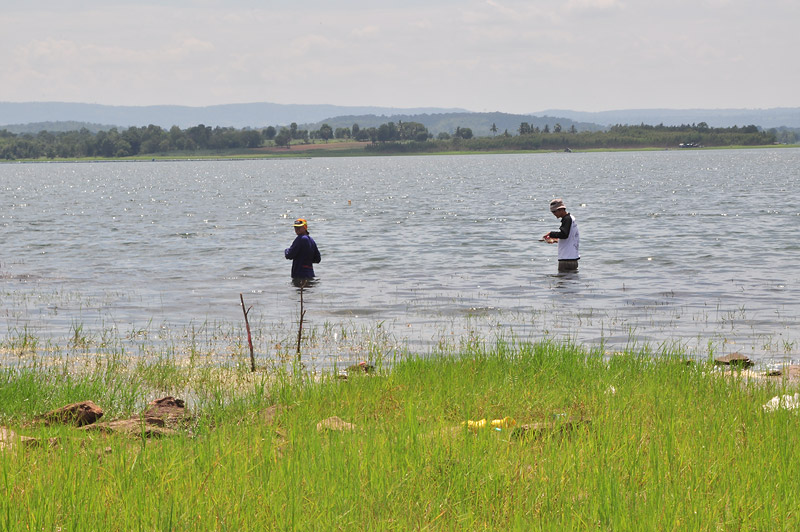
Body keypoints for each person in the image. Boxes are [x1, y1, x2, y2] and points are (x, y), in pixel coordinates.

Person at [542, 198, 580, 272]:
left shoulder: (567, 219)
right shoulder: (571, 218)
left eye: (554, 211)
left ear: (561, 209)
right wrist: (556, 240)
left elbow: (564, 234)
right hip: (572, 258)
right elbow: (569, 237)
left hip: (566, 260)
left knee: (562, 282)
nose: (553, 214)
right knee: (571, 282)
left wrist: (551, 234)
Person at [285, 218, 321, 283]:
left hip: (299, 275)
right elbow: (317, 259)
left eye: (299, 227)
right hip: (310, 273)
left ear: (305, 227)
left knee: (299, 291)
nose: (297, 229)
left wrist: (286, 250)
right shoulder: (311, 240)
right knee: (308, 291)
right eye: (295, 227)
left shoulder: (300, 239)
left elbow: (289, 255)